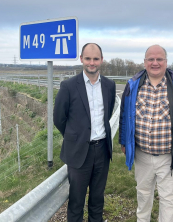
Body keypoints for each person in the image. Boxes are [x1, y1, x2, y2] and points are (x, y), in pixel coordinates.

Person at [119, 44, 173, 222]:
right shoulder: (133, 85)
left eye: (159, 59)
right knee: (143, 195)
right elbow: (125, 116)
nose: (155, 63)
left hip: (170, 157)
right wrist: (124, 143)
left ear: (166, 62)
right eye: (151, 59)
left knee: (169, 201)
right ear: (145, 62)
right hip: (142, 154)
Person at [54, 43, 116, 222]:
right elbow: (59, 118)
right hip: (79, 152)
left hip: (102, 150)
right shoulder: (68, 86)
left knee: (97, 200)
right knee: (76, 202)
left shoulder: (109, 86)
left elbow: (108, 113)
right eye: (88, 58)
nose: (92, 62)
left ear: (101, 60)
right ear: (81, 59)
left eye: (96, 59)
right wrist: (75, 138)